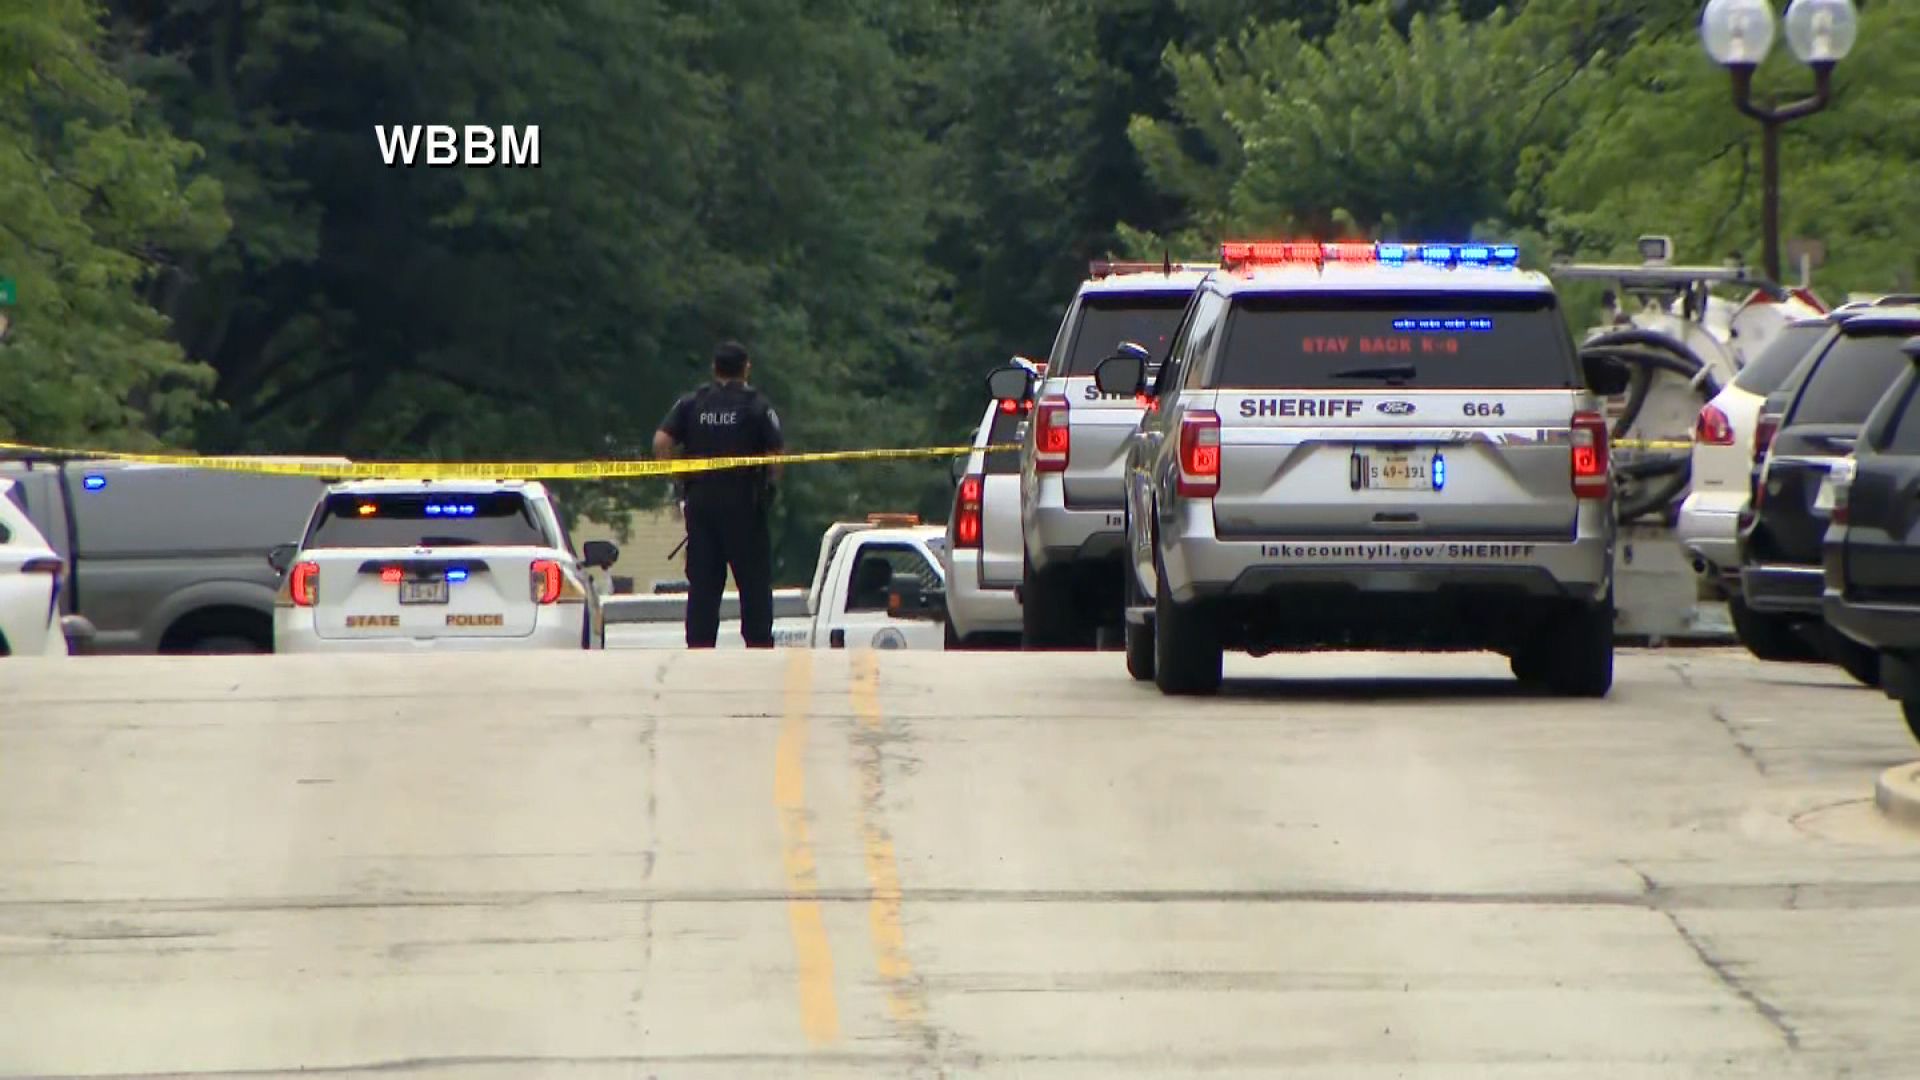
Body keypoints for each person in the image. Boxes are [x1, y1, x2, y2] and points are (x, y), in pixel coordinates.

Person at [653, 341, 785, 648]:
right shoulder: (757, 406)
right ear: (746, 369)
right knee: (753, 583)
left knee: (703, 584)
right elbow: (776, 456)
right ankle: (758, 644)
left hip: (702, 506)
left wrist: (679, 477)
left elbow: (661, 442)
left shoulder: (691, 403)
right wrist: (770, 488)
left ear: (714, 369)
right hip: (745, 508)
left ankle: (699, 647)